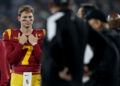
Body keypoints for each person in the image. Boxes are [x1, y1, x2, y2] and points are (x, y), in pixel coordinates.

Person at [3, 5, 45, 86]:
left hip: (36, 76)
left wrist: (35, 44)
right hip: (17, 75)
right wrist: (20, 44)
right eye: (25, 17)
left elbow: (43, 60)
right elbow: (10, 61)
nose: (28, 20)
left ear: (33, 18)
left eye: (30, 17)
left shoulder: (42, 33)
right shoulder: (9, 34)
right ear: (19, 18)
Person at [84, 9, 119, 86]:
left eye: (88, 24)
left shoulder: (103, 41)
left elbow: (105, 71)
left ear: (98, 23)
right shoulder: (114, 37)